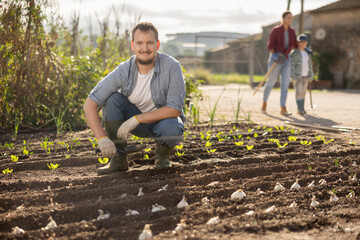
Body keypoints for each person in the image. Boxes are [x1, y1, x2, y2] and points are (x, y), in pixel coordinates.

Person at [83, 22, 185, 175]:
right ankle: (118, 160)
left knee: (171, 127)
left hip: (162, 123)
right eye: (139, 43)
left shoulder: (172, 67)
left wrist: (137, 119)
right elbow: (90, 103)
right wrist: (101, 138)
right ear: (132, 45)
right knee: (112, 100)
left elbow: (174, 109)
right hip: (134, 125)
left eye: (149, 43)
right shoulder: (124, 70)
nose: (144, 48)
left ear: (157, 44)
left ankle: (162, 157)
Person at [261, 10, 297, 116]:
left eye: (291, 18)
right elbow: (270, 46)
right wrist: (275, 55)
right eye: (288, 18)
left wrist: (303, 47)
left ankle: (283, 108)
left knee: (285, 84)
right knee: (271, 82)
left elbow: (294, 45)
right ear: (283, 18)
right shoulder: (276, 30)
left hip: (286, 59)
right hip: (276, 58)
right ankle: (264, 103)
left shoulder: (292, 31)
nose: (290, 20)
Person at [290, 34, 314, 115]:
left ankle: (302, 108)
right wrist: (293, 76)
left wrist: (311, 74)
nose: (302, 44)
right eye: (300, 42)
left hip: (306, 75)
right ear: (298, 43)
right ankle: (299, 109)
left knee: (303, 93)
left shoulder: (307, 53)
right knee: (299, 92)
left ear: (306, 43)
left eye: (303, 42)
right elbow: (292, 66)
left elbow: (309, 64)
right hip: (298, 76)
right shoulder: (294, 53)